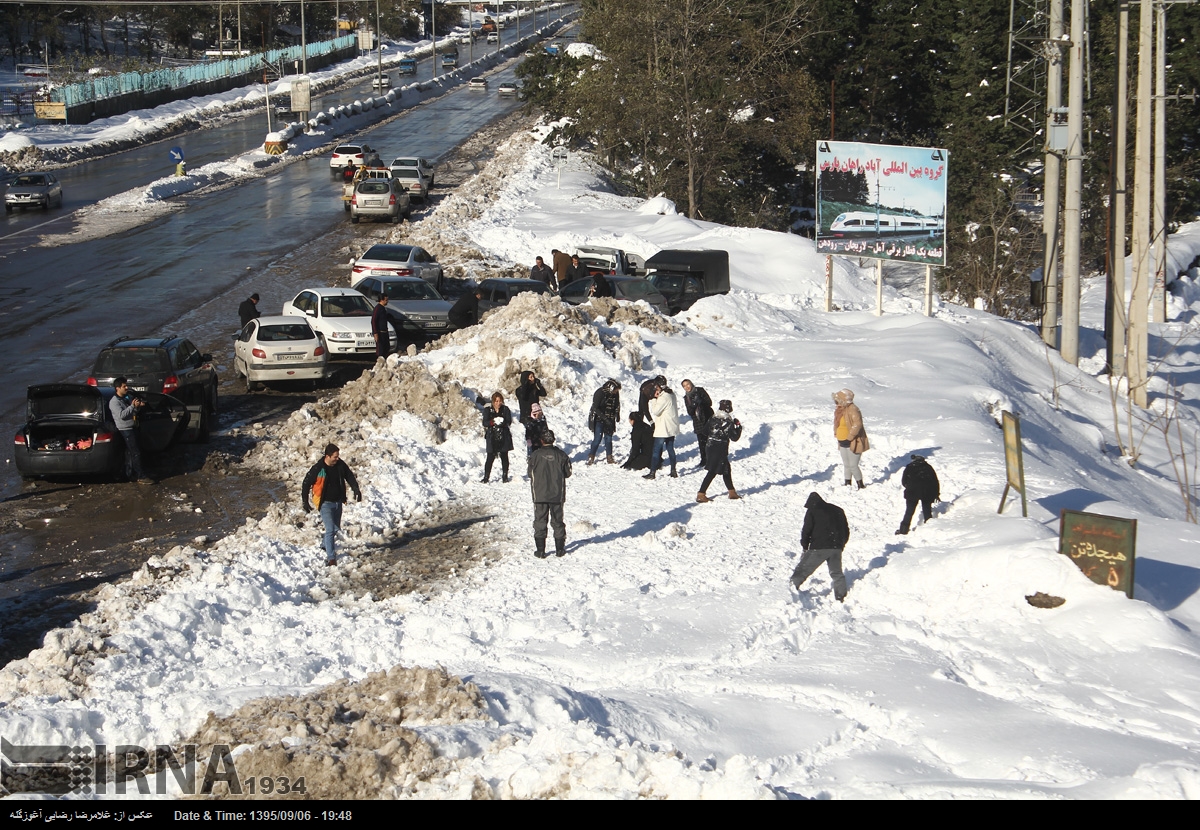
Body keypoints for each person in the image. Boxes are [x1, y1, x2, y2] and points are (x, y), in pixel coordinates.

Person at [302, 443, 362, 567]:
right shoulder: (319, 468)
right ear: (328, 456)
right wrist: (305, 501)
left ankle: (324, 545)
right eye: (335, 456)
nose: (337, 458)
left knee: (335, 528)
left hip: (338, 502)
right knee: (330, 529)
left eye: (338, 456)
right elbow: (306, 483)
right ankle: (331, 558)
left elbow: (349, 475)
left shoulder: (340, 465)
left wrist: (356, 489)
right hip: (325, 504)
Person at [791, 492, 850, 602]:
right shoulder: (838, 510)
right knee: (836, 573)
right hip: (836, 547)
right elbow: (846, 530)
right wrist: (841, 544)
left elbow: (807, 529)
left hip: (819, 547)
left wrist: (805, 545)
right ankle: (841, 597)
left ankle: (789, 593)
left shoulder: (813, 510)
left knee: (801, 571)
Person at [527, 429, 572, 558]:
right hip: (557, 494)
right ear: (553, 440)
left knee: (540, 521)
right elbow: (568, 473)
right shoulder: (562, 455)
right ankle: (560, 550)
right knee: (557, 521)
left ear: (541, 440)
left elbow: (530, 473)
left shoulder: (534, 455)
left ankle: (540, 551)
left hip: (539, 494)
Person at [696, 399, 742, 502]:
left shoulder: (713, 418)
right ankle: (701, 494)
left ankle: (732, 492)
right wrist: (738, 427)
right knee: (712, 471)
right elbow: (734, 437)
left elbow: (704, 431)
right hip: (720, 448)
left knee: (726, 469)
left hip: (710, 446)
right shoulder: (728, 421)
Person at [109, 377, 148, 484]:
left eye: (126, 385)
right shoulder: (114, 402)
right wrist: (132, 406)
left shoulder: (126, 398)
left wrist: (137, 407)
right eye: (124, 386)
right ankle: (140, 476)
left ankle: (137, 473)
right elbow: (122, 415)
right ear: (117, 388)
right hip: (125, 429)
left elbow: (132, 412)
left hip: (133, 426)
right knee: (135, 452)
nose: (126, 388)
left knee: (136, 452)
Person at [832, 388, 869, 489]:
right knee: (846, 465)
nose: (836, 402)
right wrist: (836, 433)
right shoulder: (839, 411)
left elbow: (857, 424)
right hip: (842, 441)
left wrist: (850, 437)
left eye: (838, 400)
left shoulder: (853, 409)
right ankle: (847, 484)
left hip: (852, 442)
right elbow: (838, 424)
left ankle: (860, 485)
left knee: (853, 465)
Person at [644, 378, 680, 480]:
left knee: (656, 451)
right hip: (671, 427)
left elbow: (656, 411)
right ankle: (673, 471)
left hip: (663, 428)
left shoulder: (663, 397)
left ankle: (652, 473)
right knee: (670, 449)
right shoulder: (672, 394)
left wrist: (654, 399)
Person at [896, 454, 941, 535]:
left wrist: (909, 486)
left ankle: (903, 530)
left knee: (909, 512)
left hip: (912, 493)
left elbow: (904, 481)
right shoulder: (928, 467)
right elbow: (935, 482)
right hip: (926, 493)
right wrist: (936, 494)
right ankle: (929, 529)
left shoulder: (909, 467)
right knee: (927, 511)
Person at [586, 378, 622, 465]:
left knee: (608, 438)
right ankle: (591, 456)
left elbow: (617, 404)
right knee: (597, 439)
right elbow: (595, 408)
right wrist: (604, 418)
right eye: (615, 390)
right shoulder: (599, 393)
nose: (616, 392)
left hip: (610, 418)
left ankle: (609, 457)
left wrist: (617, 414)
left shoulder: (615, 394)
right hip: (599, 419)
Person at [481, 392, 513, 483]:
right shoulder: (488, 410)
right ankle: (486, 476)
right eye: (496, 401)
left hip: (503, 435)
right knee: (490, 457)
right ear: (493, 401)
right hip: (492, 436)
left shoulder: (505, 409)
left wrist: (502, 422)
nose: (498, 403)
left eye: (500, 401)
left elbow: (509, 421)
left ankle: (505, 475)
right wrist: (492, 422)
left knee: (504, 456)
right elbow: (485, 423)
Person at [681, 379, 714, 467]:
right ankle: (704, 459)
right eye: (684, 386)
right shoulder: (686, 398)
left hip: (707, 417)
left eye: (687, 384)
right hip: (698, 421)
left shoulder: (700, 390)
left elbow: (709, 402)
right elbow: (690, 412)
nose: (687, 387)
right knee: (701, 441)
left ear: (691, 384)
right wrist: (694, 404)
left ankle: (713, 458)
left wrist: (701, 401)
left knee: (711, 439)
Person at [371, 293, 392, 360]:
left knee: (387, 348)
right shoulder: (377, 308)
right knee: (381, 350)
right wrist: (375, 333)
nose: (387, 301)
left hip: (385, 332)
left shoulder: (383, 309)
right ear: (381, 300)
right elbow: (373, 321)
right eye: (386, 300)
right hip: (380, 332)